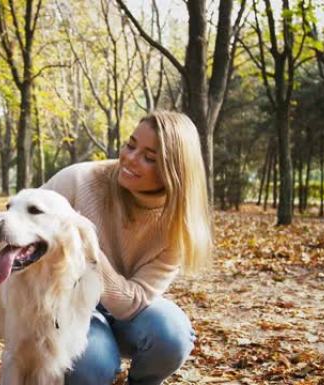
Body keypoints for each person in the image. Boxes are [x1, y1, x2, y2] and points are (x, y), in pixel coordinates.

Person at [42, 110, 213, 385]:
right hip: (67, 303)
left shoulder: (178, 227)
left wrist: (88, 249)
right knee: (91, 366)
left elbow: (131, 304)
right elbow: (18, 232)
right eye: (131, 145)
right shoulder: (77, 181)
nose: (130, 159)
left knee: (172, 334)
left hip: (126, 310)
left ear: (174, 171)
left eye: (149, 158)